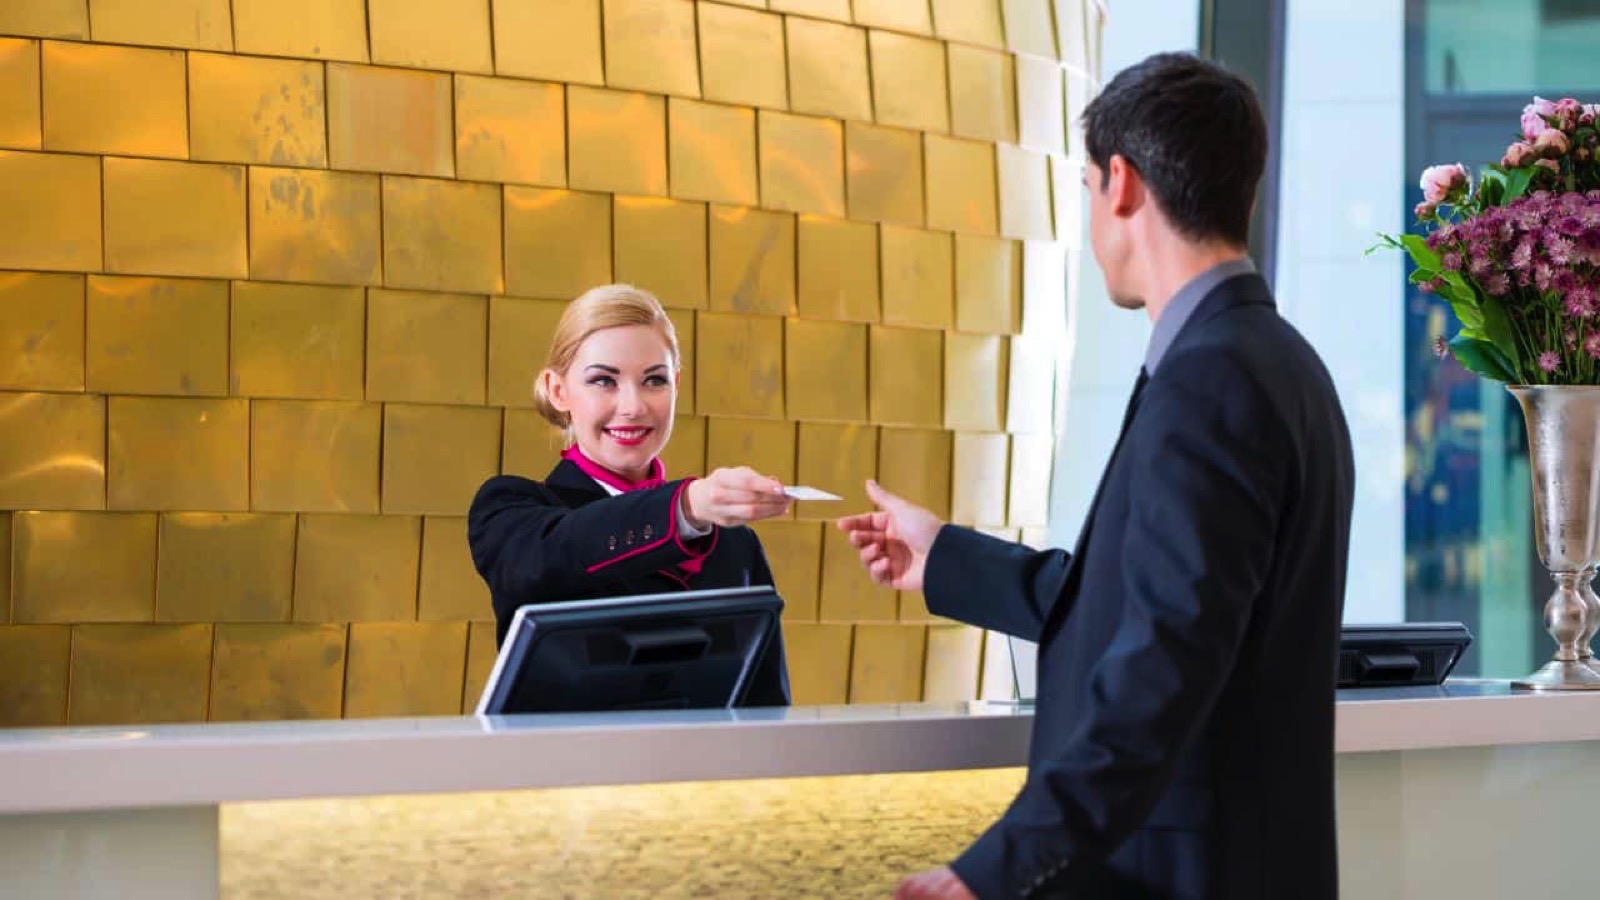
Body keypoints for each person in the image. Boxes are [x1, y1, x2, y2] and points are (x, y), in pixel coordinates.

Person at [840, 53, 1354, 899]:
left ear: (1121, 183)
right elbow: (1146, 600)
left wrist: (992, 871)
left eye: (1083, 186)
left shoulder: (1209, 378)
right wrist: (947, 559)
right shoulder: (1283, 364)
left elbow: (1160, 668)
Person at [468, 284, 794, 705]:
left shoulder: (734, 542)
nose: (633, 406)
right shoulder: (510, 510)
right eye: (604, 380)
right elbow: (559, 551)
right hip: (567, 768)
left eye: (654, 381)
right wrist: (687, 506)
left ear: (675, 386)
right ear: (557, 390)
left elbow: (764, 705)